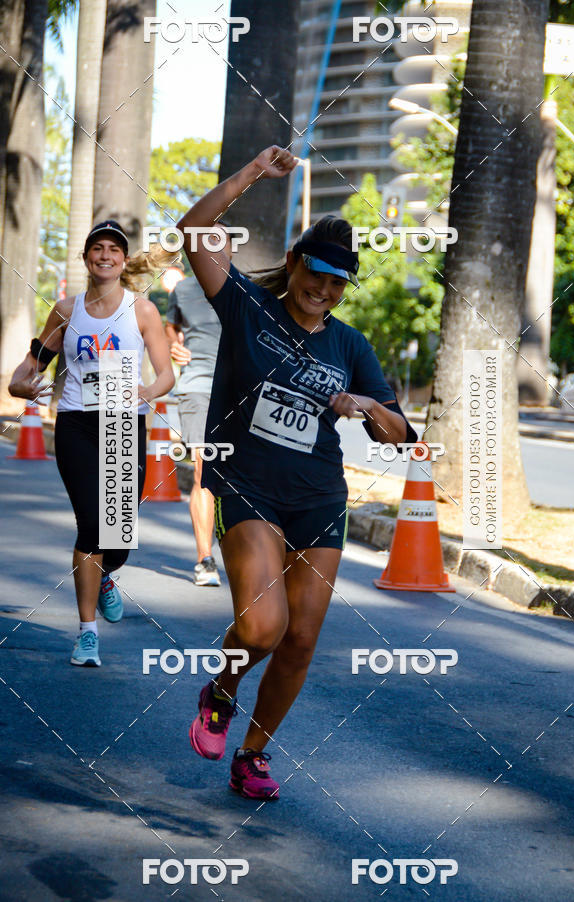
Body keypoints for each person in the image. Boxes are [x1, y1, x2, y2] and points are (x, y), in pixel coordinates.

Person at [177, 146, 418, 800]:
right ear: (293, 264)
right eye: (317, 273)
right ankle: (221, 690)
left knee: (301, 639)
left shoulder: (350, 345)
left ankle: (253, 755)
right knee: (262, 626)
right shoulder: (247, 307)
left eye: (339, 282)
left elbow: (400, 432)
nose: (325, 290)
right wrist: (253, 174)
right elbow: (194, 233)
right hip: (246, 482)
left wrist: (367, 407)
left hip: (318, 496)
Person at [9, 220, 175, 667]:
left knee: (117, 536)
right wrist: (23, 389)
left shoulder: (142, 311)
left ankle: (105, 576)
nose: (105, 255)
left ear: (123, 261)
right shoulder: (66, 310)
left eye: (113, 250)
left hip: (124, 423)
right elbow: (25, 374)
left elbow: (166, 373)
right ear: (86, 259)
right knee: (91, 524)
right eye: (97, 249)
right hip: (77, 424)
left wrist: (147, 392)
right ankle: (86, 634)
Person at [164, 226, 233, 587]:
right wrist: (175, 347)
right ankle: (205, 559)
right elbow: (170, 327)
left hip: (241, 395)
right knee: (207, 471)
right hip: (198, 389)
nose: (215, 251)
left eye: (222, 245)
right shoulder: (185, 289)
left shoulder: (244, 291)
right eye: (207, 244)